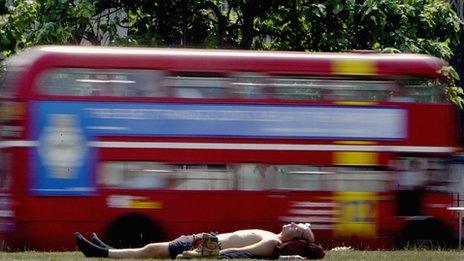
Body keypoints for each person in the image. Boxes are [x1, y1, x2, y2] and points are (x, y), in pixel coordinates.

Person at [75, 222, 325, 259]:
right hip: (205, 239)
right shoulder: (272, 236)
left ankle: (100, 253)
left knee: (152, 249)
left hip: (204, 245)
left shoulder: (272, 243)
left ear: (297, 237)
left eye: (297, 227)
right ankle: (105, 249)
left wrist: (201, 252)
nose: (292, 223)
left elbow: (240, 250)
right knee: (150, 248)